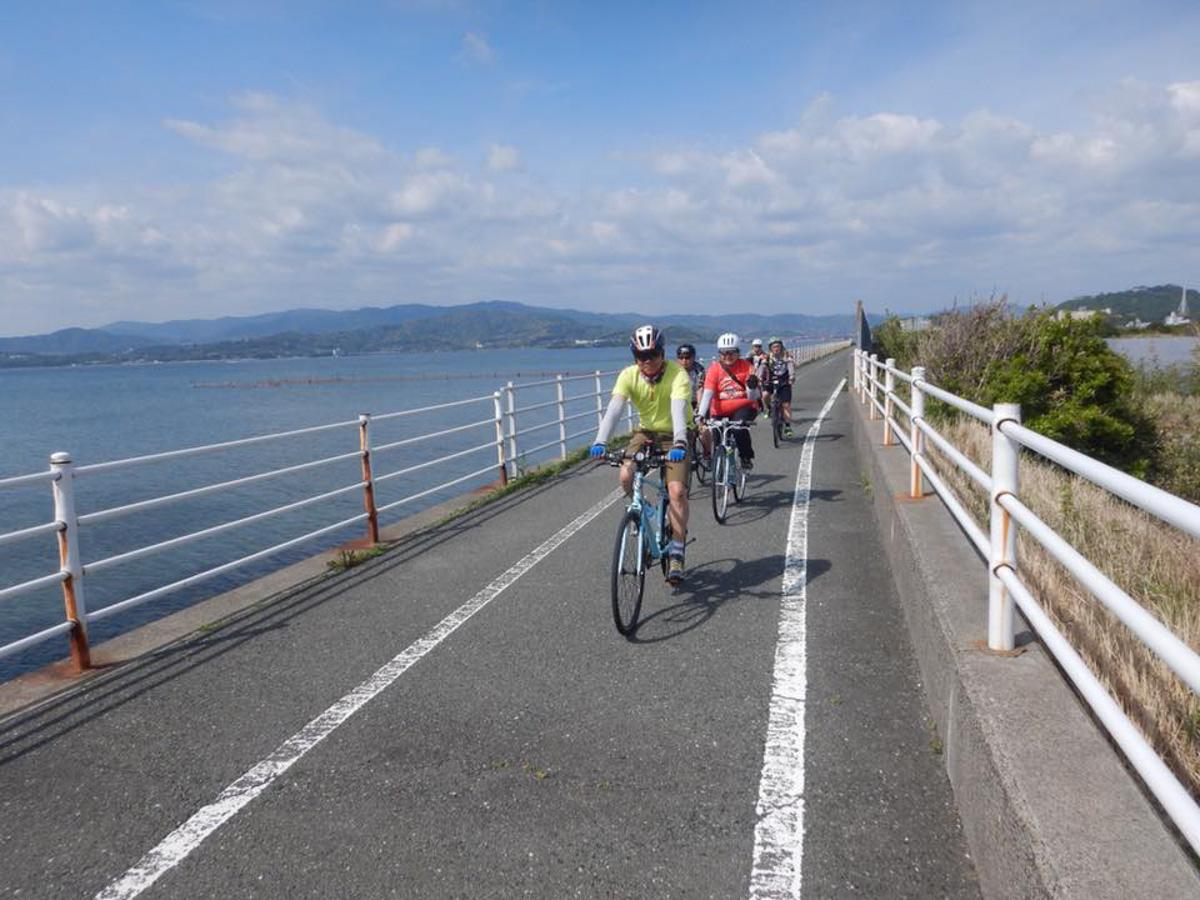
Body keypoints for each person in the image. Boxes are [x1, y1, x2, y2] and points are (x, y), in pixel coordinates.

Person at [590, 325, 694, 585]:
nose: (647, 361)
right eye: (641, 356)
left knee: (677, 491)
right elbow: (615, 409)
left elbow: (678, 409)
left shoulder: (678, 374)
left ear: (662, 353)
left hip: (676, 435)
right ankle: (642, 511)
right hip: (646, 432)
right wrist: (601, 440)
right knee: (625, 474)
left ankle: (678, 552)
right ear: (634, 357)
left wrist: (680, 442)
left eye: (653, 355)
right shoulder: (628, 375)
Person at [697, 332, 760, 470]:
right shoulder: (714, 369)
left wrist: (752, 386)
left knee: (739, 429)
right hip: (719, 409)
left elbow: (753, 397)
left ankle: (746, 457)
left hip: (743, 406)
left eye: (732, 352)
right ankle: (720, 468)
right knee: (718, 439)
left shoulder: (747, 367)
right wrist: (701, 414)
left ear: (738, 353)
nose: (728, 356)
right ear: (719, 354)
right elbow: (708, 393)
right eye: (724, 353)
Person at [676, 343, 712, 461]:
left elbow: (700, 389)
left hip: (696, 401)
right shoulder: (674, 371)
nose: (684, 361)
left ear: (693, 357)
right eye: (681, 358)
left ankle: (707, 453)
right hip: (681, 402)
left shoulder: (699, 370)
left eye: (687, 357)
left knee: (702, 430)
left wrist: (700, 411)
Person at [762, 336, 796, 437]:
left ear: (781, 347)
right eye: (774, 347)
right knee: (765, 395)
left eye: (778, 346)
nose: (776, 348)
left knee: (786, 405)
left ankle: (787, 426)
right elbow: (762, 368)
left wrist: (791, 377)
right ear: (770, 348)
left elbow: (790, 367)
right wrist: (759, 378)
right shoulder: (767, 357)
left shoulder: (786, 356)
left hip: (784, 382)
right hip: (771, 381)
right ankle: (769, 409)